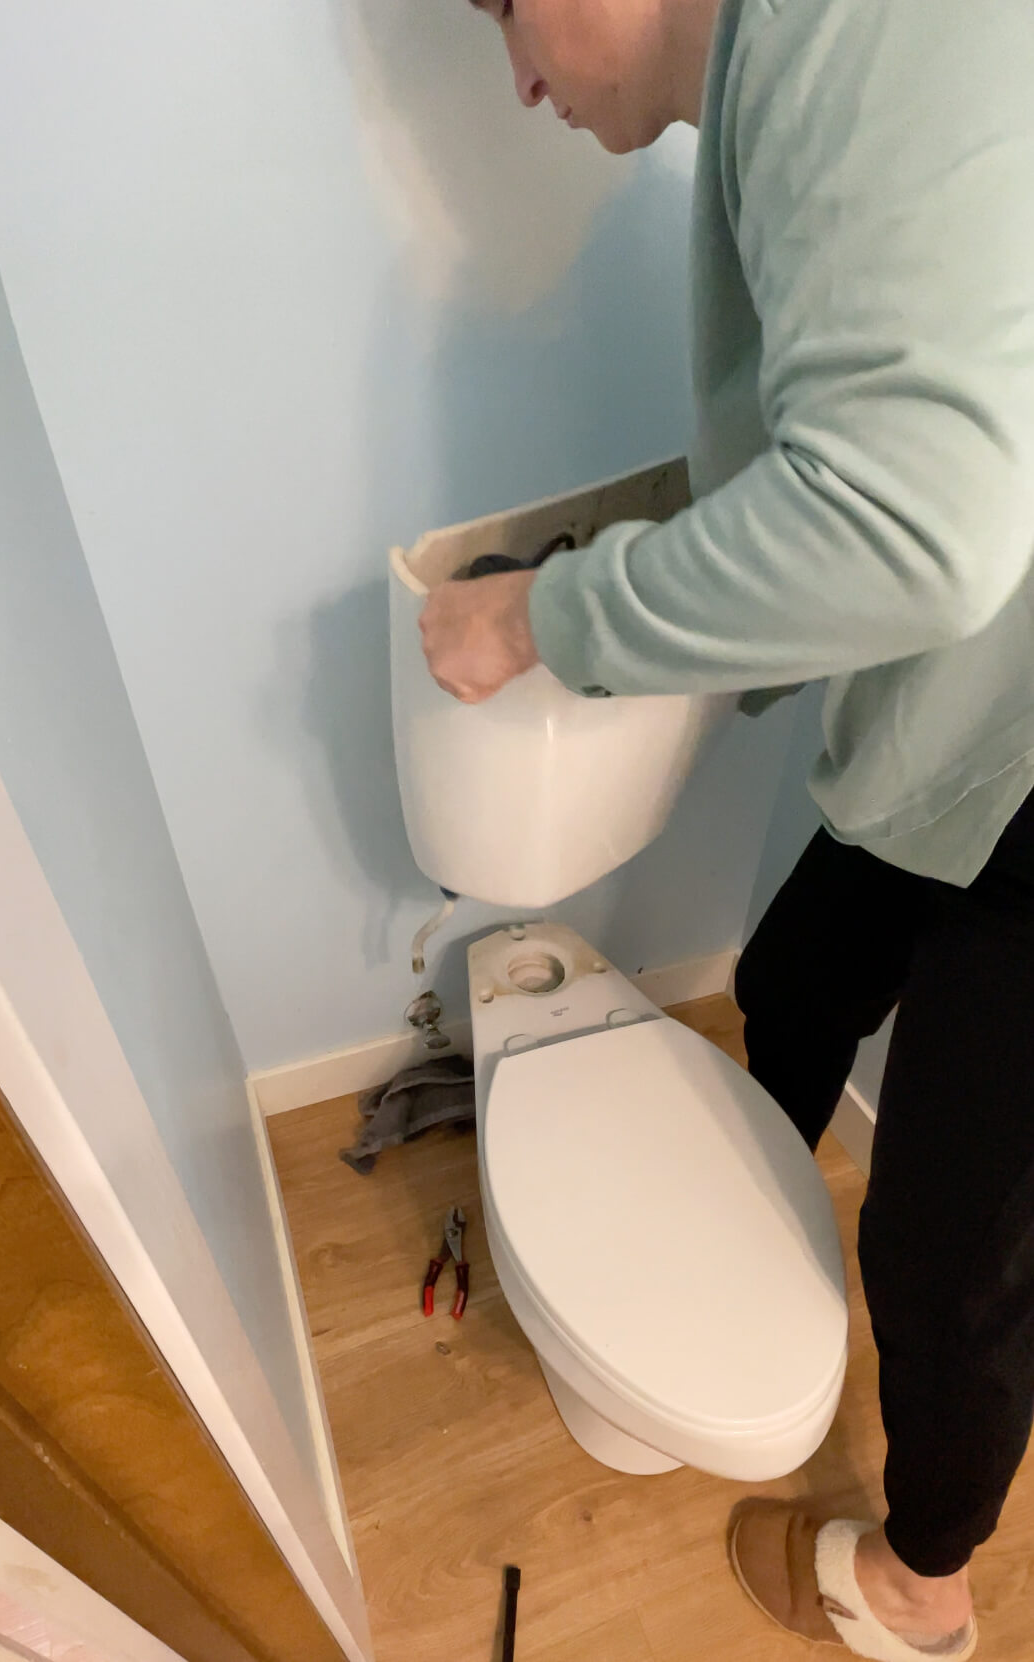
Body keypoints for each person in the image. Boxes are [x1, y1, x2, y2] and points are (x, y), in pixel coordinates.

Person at [420, 3, 1034, 1657]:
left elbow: (907, 527)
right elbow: (838, 437)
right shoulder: (801, 58)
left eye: (508, 12)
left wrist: (549, 620)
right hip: (977, 715)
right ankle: (739, 1176)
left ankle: (925, 1586)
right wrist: (613, 558)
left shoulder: (857, 26)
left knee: (952, 1243)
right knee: (794, 971)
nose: (523, 81)